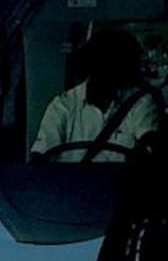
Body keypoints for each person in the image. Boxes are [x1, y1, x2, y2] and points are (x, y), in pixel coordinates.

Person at [30, 29, 161, 163]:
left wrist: (146, 149)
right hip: (72, 183)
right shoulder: (63, 106)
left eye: (115, 68)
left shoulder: (139, 102)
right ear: (90, 68)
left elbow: (149, 138)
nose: (107, 75)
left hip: (122, 183)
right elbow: (41, 154)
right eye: (101, 67)